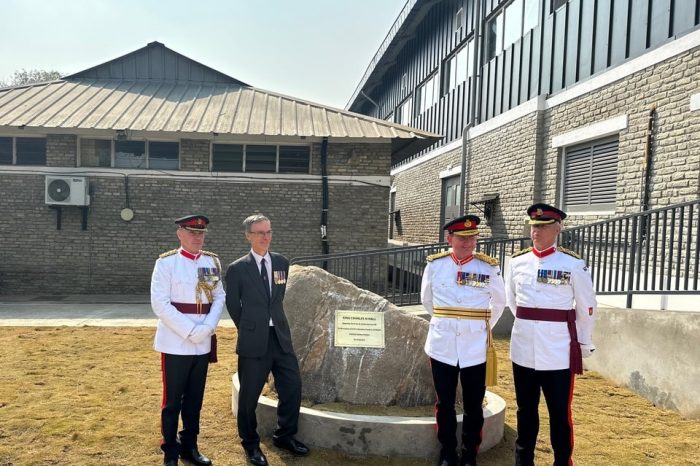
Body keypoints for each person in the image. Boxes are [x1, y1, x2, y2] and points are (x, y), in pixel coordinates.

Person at [505, 203, 597, 466]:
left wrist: (583, 341)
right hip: (523, 349)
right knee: (525, 412)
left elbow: (586, 306)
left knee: (559, 413)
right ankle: (523, 461)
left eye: (543, 226)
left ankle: (561, 461)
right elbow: (513, 302)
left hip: (557, 351)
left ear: (557, 229)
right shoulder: (517, 262)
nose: (536, 231)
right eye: (534, 226)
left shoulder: (572, 264)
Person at [421, 214, 506, 466]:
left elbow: (499, 302)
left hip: (475, 347)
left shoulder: (488, 267)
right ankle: (447, 451)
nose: (467, 243)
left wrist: (481, 327)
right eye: (461, 238)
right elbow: (428, 301)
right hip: (443, 345)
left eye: (472, 238)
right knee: (444, 403)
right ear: (450, 239)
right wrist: (447, 322)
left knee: (473, 405)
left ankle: (469, 454)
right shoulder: (435, 265)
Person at [225, 214, 309, 466]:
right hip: (254, 341)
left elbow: (278, 298)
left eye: (269, 231)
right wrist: (250, 327)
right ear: (248, 236)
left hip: (280, 338)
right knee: (249, 395)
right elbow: (233, 305)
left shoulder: (282, 262)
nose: (266, 237)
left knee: (292, 388)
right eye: (260, 232)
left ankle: (285, 436)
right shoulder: (238, 268)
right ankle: (250, 444)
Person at [150, 214, 225, 466]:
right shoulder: (166, 263)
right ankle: (170, 450)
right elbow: (160, 304)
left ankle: (190, 447)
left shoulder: (211, 261)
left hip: (202, 342)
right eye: (192, 232)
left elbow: (219, 297)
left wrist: (208, 327)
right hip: (175, 342)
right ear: (180, 234)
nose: (197, 237)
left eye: (201, 233)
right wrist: (192, 331)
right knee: (172, 402)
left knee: (194, 400)